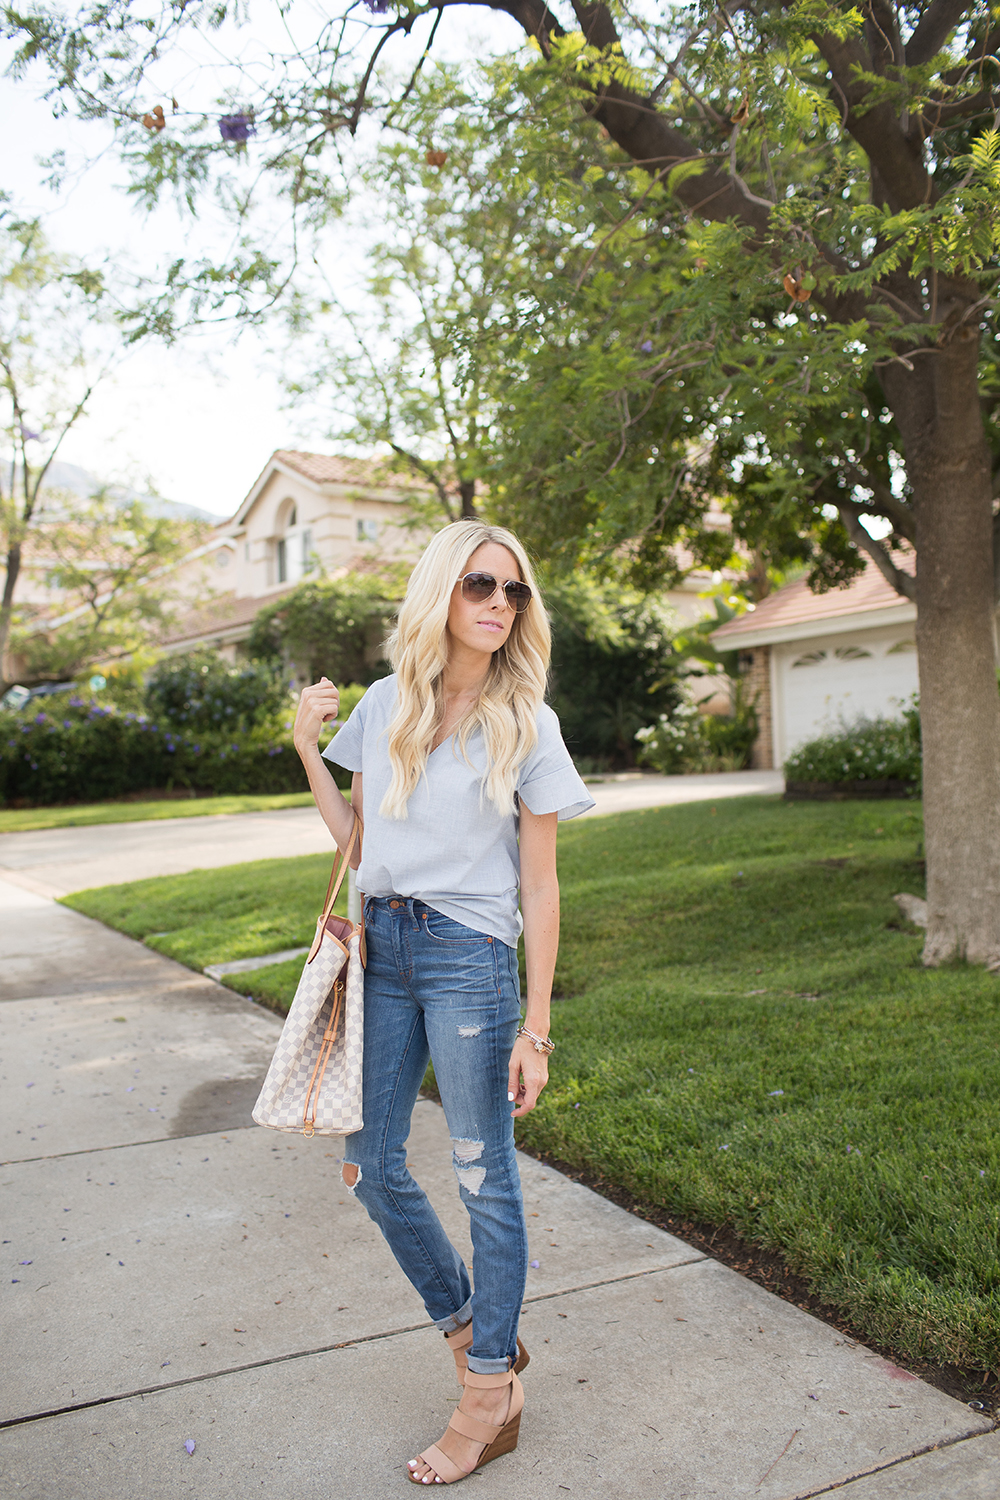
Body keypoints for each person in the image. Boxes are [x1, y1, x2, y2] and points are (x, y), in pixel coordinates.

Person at [292, 519, 594, 1485]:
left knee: (482, 1175)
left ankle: (485, 1395)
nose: (500, 604)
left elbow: (540, 888)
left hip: (470, 960)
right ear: (441, 594)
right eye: (479, 585)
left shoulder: (529, 722)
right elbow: (358, 840)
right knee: (371, 1167)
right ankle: (479, 1341)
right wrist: (309, 752)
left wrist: (537, 1026)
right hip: (381, 947)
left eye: (514, 591)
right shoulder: (386, 705)